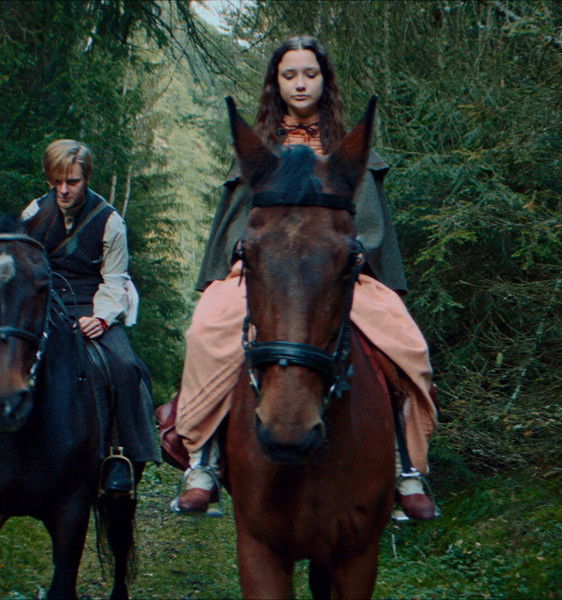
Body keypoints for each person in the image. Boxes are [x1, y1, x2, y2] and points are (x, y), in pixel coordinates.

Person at [172, 36, 438, 520]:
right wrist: (243, 253)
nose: (300, 84)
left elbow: (369, 224)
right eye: (289, 74)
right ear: (275, 83)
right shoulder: (259, 151)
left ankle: (407, 467)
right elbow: (236, 221)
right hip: (263, 273)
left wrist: (349, 255)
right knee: (206, 331)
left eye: (310, 74)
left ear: (324, 81)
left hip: (340, 272)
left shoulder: (350, 150)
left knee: (408, 345)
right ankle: (202, 461)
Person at [22, 139, 159, 494]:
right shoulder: (33, 213)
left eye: (72, 181)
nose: (63, 190)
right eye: (56, 182)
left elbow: (115, 279)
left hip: (91, 303)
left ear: (87, 178)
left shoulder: (109, 220)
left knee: (125, 366)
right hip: (44, 303)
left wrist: (101, 318)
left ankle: (120, 455)